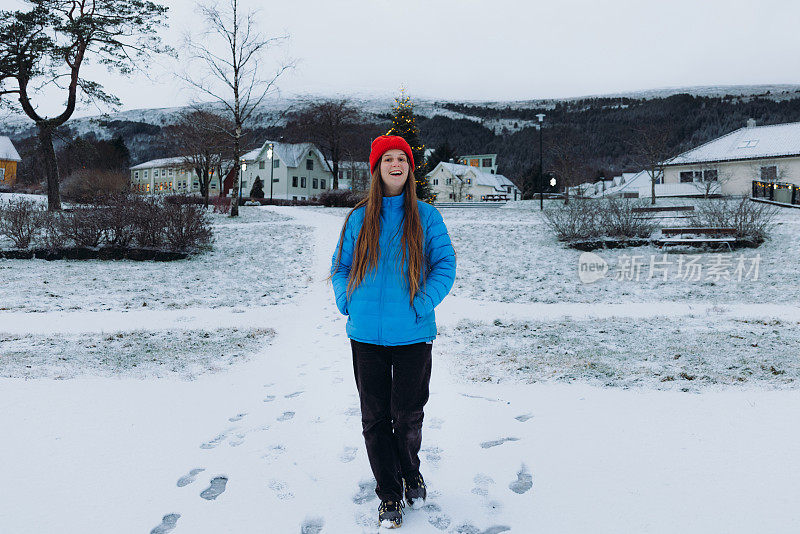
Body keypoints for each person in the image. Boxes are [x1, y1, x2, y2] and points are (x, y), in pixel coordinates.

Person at [329, 135, 456, 529]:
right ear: (376, 168)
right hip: (365, 335)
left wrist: (422, 303)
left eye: (403, 158)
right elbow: (340, 267)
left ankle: (409, 468)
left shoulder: (427, 217)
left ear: (410, 168)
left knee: (408, 415)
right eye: (388, 159)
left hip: (413, 335)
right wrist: (346, 301)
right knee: (375, 418)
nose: (396, 164)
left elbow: (445, 263)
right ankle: (389, 494)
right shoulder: (358, 218)